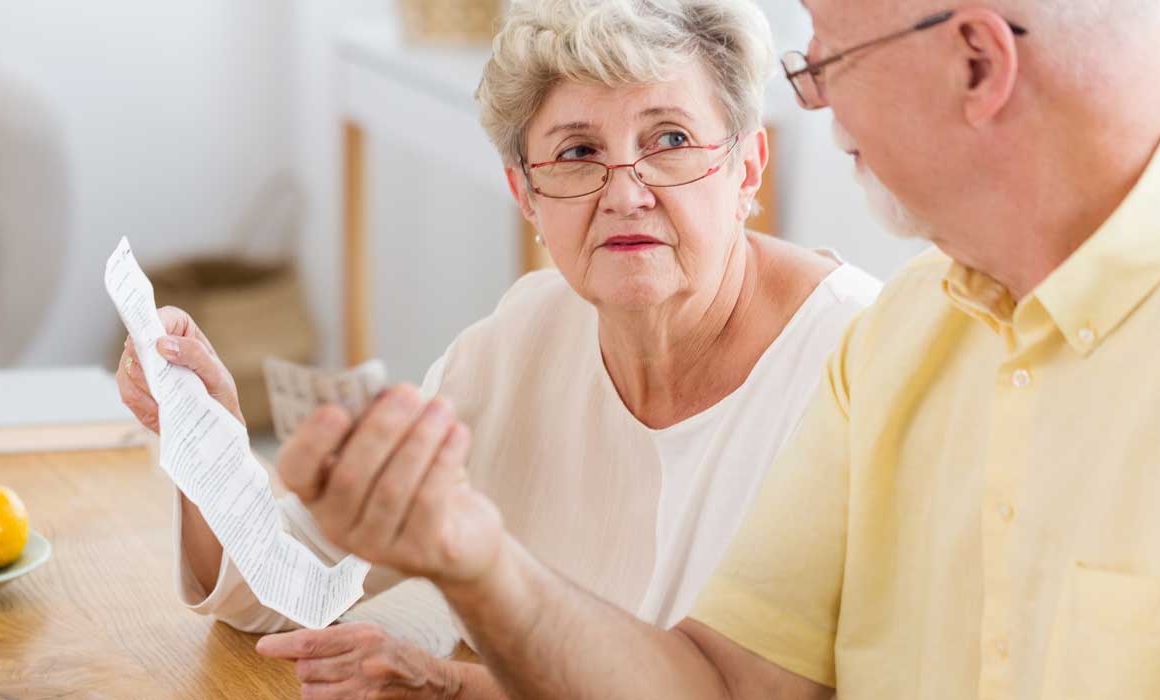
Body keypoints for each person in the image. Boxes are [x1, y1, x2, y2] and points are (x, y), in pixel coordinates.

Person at [273, 0, 1160, 698]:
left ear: (977, 63)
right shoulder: (903, 335)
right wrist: (474, 555)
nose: (813, 97)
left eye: (830, 55)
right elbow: (716, 688)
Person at [115, 0, 882, 697]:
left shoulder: (854, 358)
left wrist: (451, 686)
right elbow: (301, 587)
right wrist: (207, 435)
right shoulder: (526, 335)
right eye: (577, 152)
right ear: (526, 196)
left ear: (746, 167)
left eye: (670, 139)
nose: (625, 190)